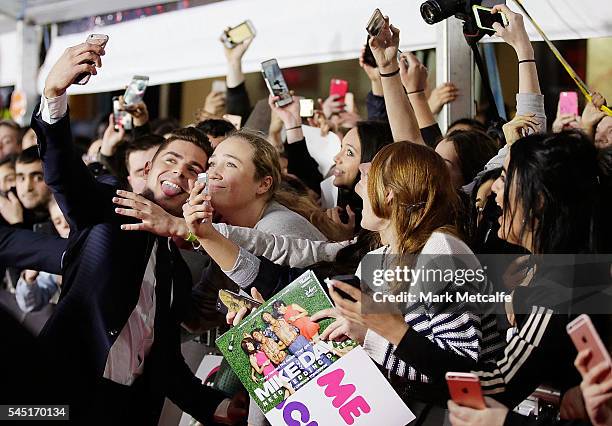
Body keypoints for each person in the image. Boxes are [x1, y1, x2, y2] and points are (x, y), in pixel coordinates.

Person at [32, 41, 246, 424]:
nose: (180, 172)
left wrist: (214, 406)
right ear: (147, 169)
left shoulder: (177, 272)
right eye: (171, 160)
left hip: (125, 411)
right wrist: (54, 95)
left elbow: (164, 361)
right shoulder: (107, 209)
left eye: (194, 169)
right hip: (55, 400)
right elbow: (63, 171)